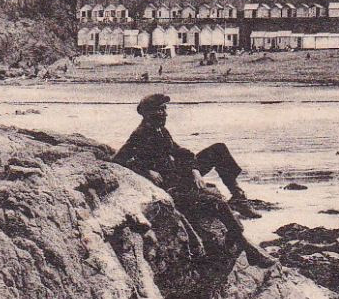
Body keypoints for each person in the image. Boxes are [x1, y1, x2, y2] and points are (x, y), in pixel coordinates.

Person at [113, 94, 271, 265]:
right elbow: (118, 161)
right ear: (148, 113)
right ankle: (249, 250)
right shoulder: (140, 135)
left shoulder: (161, 132)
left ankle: (238, 196)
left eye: (165, 109)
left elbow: (183, 153)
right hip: (172, 187)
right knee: (217, 202)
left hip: (179, 175)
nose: (165, 113)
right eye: (160, 109)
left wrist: (194, 169)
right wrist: (146, 171)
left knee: (218, 149)